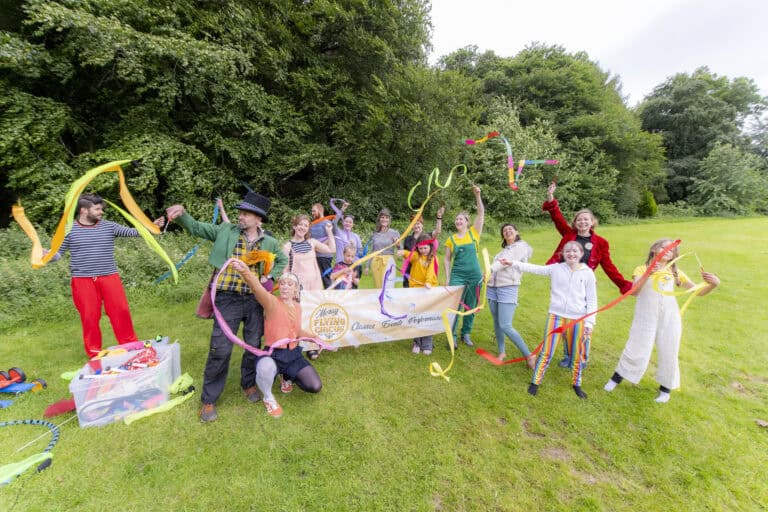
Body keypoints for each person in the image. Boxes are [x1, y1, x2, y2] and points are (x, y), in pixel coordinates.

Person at [166, 192, 287, 423]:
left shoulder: (269, 242)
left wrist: (270, 275)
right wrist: (182, 214)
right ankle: (209, 399)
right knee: (220, 349)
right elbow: (197, 228)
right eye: (240, 213)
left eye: (245, 214)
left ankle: (249, 384)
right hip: (226, 298)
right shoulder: (226, 231)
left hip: (254, 299)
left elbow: (281, 259)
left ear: (258, 219)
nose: (240, 216)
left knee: (253, 345)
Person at [603, 239, 720, 403]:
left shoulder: (676, 272)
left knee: (669, 348)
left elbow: (698, 292)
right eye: (664, 246)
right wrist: (648, 273)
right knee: (637, 345)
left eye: (671, 249)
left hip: (670, 316)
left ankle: (665, 389)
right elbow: (635, 292)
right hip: (646, 315)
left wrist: (713, 284)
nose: (668, 250)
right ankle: (616, 379)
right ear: (654, 250)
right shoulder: (641, 269)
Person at [50, 193, 164, 358]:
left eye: (101, 209)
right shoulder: (68, 230)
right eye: (97, 209)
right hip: (83, 280)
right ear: (83, 210)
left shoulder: (109, 226)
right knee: (89, 317)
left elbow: (134, 232)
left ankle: (130, 347)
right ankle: (94, 353)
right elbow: (58, 254)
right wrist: (47, 255)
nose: (101, 212)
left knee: (121, 311)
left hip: (109, 277)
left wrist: (151, 227)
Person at [542, 181, 631, 368]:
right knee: (564, 319)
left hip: (583, 285)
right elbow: (557, 217)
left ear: (592, 222)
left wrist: (623, 284)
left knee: (582, 322)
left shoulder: (601, 243)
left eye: (586, 219)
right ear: (575, 223)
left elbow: (609, 266)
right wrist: (551, 197)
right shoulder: (568, 234)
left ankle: (581, 358)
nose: (582, 222)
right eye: (579, 219)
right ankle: (568, 356)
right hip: (564, 282)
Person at [230, 260, 323, 418]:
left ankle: (285, 376)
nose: (285, 287)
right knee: (265, 368)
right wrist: (245, 270)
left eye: (290, 284)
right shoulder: (272, 302)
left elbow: (297, 330)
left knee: (314, 385)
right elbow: (256, 287)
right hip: (273, 354)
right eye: (283, 284)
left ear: (295, 289)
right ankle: (268, 397)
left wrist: (315, 338)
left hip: (293, 355)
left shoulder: (298, 307)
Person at [507, 241, 597, 399]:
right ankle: (535, 382)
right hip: (556, 316)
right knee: (547, 351)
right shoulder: (556, 268)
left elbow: (592, 300)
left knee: (577, 353)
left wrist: (589, 322)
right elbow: (534, 268)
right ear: (563, 254)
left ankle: (577, 383)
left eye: (575, 251)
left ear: (581, 253)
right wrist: (513, 263)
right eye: (567, 251)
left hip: (578, 319)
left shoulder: (588, 273)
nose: (571, 254)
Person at [284, 214, 335, 360]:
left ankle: (312, 346)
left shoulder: (312, 242)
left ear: (308, 229)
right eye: (300, 224)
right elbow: (285, 271)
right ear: (294, 226)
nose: (302, 227)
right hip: (298, 289)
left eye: (305, 225)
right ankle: (295, 345)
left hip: (315, 287)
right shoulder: (288, 246)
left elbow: (331, 249)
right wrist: (291, 288)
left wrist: (330, 231)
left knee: (313, 316)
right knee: (297, 318)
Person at [487, 223, 536, 368]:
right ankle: (502, 352)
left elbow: (502, 264)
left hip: (508, 288)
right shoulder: (503, 251)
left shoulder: (521, 246)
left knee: (506, 325)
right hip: (492, 288)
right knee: (497, 322)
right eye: (504, 230)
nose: (507, 231)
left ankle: (529, 355)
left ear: (516, 231)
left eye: (510, 229)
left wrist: (488, 270)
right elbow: (497, 265)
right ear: (502, 235)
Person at [444, 184, 484, 348]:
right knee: (454, 306)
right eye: (456, 219)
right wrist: (447, 278)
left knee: (471, 305)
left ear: (467, 222)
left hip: (475, 276)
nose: (458, 220)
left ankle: (465, 333)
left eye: (461, 219)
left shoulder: (474, 233)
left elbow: (481, 214)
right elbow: (446, 260)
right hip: (457, 276)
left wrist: (477, 196)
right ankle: (451, 335)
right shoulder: (451, 239)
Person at [397, 234, 439, 355]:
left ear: (430, 247)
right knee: (415, 316)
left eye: (425, 248)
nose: (423, 250)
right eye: (420, 248)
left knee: (427, 316)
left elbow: (430, 272)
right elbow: (410, 255)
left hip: (428, 290)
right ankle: (416, 342)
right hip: (415, 291)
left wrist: (428, 282)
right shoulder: (416, 256)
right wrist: (403, 252)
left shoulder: (433, 258)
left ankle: (427, 344)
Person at [402, 206, 444, 288]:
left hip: (424, 269)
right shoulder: (408, 239)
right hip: (410, 271)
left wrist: (439, 217)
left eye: (418, 223)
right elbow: (406, 255)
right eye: (413, 224)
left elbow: (438, 231)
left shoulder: (427, 236)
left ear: (422, 224)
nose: (416, 226)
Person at [367, 208, 401, 289]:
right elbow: (372, 250)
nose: (384, 219)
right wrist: (367, 266)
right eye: (382, 217)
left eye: (386, 217)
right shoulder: (375, 234)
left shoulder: (394, 232)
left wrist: (398, 245)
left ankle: (388, 302)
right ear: (379, 219)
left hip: (388, 262)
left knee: (388, 286)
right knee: (378, 287)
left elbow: (400, 249)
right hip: (376, 263)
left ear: (389, 219)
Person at [309, 202, 336, 288]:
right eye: (312, 211)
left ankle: (330, 298)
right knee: (315, 278)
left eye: (314, 211)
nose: (312, 213)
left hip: (325, 256)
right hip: (314, 255)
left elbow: (331, 238)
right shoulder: (312, 224)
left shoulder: (327, 223)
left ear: (320, 210)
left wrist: (318, 246)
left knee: (326, 278)